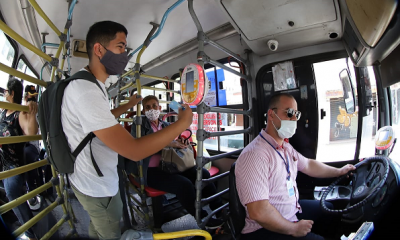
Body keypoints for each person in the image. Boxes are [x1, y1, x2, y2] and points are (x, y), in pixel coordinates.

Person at [61, 21, 192, 240]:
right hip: (96, 186)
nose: (125, 54)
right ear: (99, 49)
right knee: (109, 233)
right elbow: (134, 150)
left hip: (99, 177)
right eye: (121, 47)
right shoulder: (86, 92)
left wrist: (127, 106)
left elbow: (101, 118)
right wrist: (182, 124)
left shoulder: (94, 86)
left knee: (99, 228)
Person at [235, 93, 356, 240]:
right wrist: (294, 229)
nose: (293, 119)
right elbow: (259, 212)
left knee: (329, 209)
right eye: (289, 113)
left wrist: (339, 171)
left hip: (290, 212)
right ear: (271, 114)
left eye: (296, 114)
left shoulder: (285, 147)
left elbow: (309, 165)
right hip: (264, 229)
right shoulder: (255, 155)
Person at [127, 95, 223, 229]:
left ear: (160, 108)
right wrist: (170, 144)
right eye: (147, 107)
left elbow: (174, 142)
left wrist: (180, 143)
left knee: (203, 174)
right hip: (150, 170)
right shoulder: (139, 124)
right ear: (143, 111)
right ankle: (202, 219)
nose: (151, 109)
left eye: (154, 106)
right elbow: (141, 146)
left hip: (169, 165)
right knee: (183, 185)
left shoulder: (166, 125)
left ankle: (219, 209)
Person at [1, 78, 38, 240]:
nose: (4, 94)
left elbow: (31, 133)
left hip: (13, 165)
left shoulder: (19, 113)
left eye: (6, 92)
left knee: (15, 199)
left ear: (12, 93)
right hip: (3, 162)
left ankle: (30, 233)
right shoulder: (4, 110)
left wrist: (32, 114)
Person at [22, 85, 44, 210]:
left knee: (27, 157)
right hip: (23, 145)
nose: (33, 99)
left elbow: (34, 132)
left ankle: (32, 191)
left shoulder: (35, 111)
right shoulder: (21, 110)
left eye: (34, 97)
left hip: (32, 146)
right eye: (31, 96)